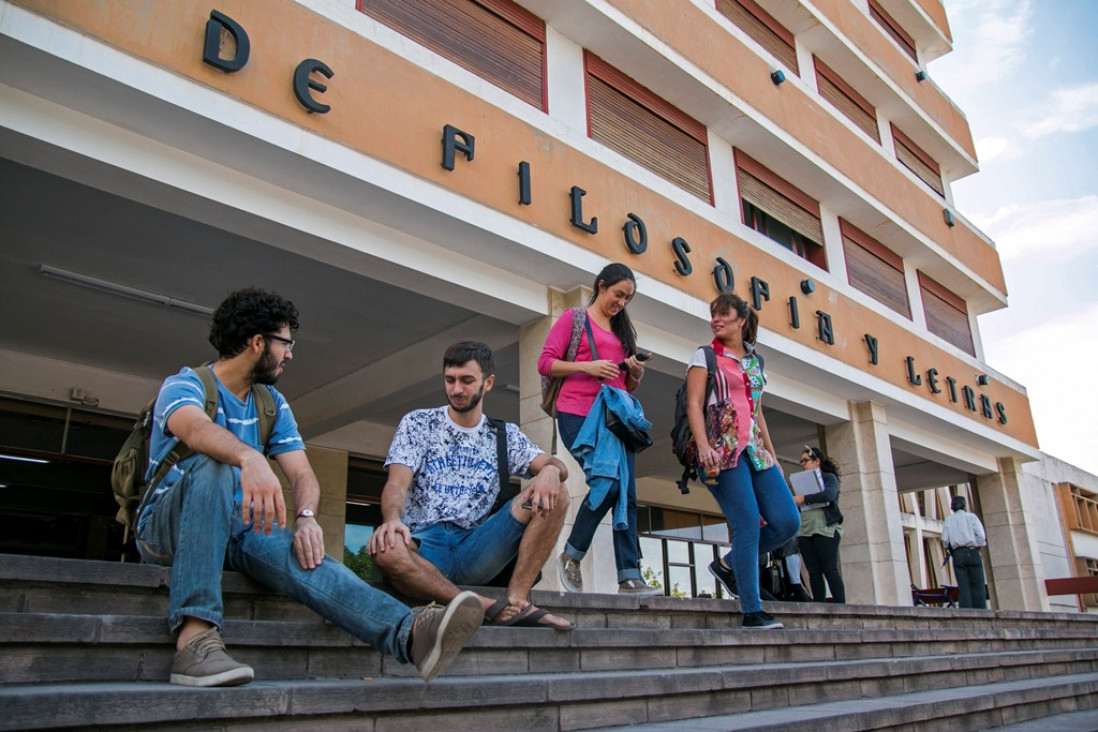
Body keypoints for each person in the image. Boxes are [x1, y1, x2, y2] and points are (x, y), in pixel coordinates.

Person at [136, 288, 482, 688]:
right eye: (285, 344)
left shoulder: (271, 403)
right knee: (215, 465)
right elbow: (195, 430)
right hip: (169, 531)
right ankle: (194, 640)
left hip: (238, 528)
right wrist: (248, 458)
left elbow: (302, 475)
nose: (290, 355)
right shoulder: (185, 385)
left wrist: (306, 519)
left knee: (308, 554)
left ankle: (411, 635)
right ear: (257, 343)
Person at [369, 341, 574, 629]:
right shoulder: (419, 423)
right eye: (450, 380)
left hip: (477, 547)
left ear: (488, 383)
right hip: (425, 547)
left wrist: (551, 471)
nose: (456, 389)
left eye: (467, 381)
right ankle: (481, 604)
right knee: (385, 549)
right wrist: (391, 520)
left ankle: (517, 599)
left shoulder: (503, 435)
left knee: (558, 492)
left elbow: (557, 466)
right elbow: (396, 484)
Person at [538, 263, 660, 596]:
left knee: (627, 495)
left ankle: (629, 576)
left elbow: (624, 386)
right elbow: (545, 363)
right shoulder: (573, 319)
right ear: (601, 286)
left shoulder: (623, 332)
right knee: (607, 485)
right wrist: (587, 366)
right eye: (618, 294)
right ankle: (572, 554)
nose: (621, 302)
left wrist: (634, 373)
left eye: (627, 298)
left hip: (615, 418)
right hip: (577, 413)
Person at [685, 293, 800, 629]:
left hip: (756, 452)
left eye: (723, 314)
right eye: (713, 314)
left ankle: (729, 564)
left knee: (787, 521)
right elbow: (694, 404)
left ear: (741, 320)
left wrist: (775, 458)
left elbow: (757, 411)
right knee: (748, 523)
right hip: (721, 453)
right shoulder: (705, 356)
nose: (715, 320)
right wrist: (703, 446)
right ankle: (752, 610)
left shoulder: (755, 362)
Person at [793, 446, 846, 604]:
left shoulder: (829, 478)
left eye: (806, 461)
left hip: (825, 527)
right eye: (801, 461)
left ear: (817, 462)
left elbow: (829, 495)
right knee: (813, 571)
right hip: (806, 528)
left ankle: (841, 607)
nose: (803, 464)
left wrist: (804, 499)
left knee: (830, 569)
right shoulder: (801, 482)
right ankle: (819, 606)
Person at [941, 494, 988, 609]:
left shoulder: (948, 520)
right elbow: (981, 536)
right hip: (972, 551)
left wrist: (952, 549)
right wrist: (977, 548)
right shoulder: (971, 517)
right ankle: (981, 611)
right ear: (964, 505)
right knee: (978, 585)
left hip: (958, 553)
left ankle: (966, 612)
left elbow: (945, 540)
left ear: (952, 507)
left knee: (963, 587)